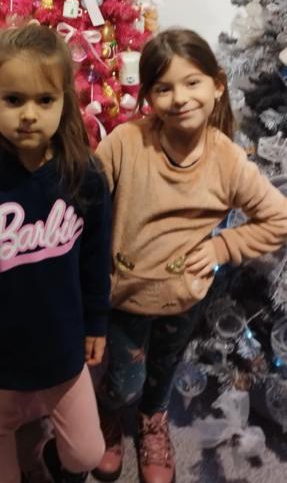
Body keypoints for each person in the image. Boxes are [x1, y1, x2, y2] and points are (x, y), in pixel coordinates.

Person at [93, 28, 287, 483]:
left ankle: (153, 422)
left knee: (163, 369)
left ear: (217, 85)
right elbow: (83, 198)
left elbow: (278, 218)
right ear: (148, 97)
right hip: (123, 298)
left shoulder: (228, 160)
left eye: (192, 82)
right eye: (164, 88)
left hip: (184, 298)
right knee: (124, 380)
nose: (180, 98)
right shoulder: (125, 142)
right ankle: (107, 412)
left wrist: (223, 246)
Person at [0, 23, 111, 483]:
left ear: (64, 103)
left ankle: (51, 455)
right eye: (13, 99)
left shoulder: (86, 178)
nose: (29, 115)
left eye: (44, 100)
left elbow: (96, 260)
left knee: (86, 454)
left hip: (63, 345)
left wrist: (96, 321)